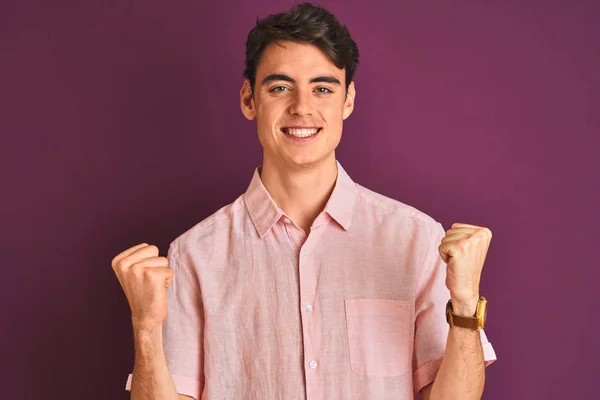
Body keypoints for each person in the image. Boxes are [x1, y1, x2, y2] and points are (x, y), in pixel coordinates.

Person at [112, 3, 497, 399]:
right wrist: (145, 326)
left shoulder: (416, 241)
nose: (302, 107)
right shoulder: (194, 256)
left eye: (323, 88)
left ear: (347, 100)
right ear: (249, 100)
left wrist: (465, 303)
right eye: (280, 87)